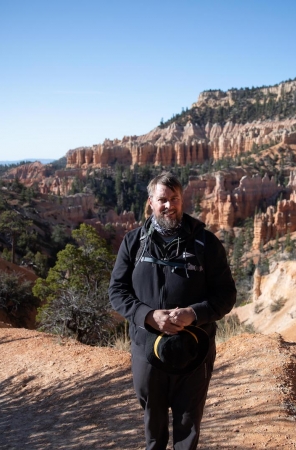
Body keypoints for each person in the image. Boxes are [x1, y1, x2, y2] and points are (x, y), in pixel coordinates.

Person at [108, 171, 236, 450]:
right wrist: (148, 315)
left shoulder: (206, 243)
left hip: (194, 350)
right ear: (150, 202)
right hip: (146, 349)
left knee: (187, 423)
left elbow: (226, 295)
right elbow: (117, 292)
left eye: (174, 199)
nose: (169, 205)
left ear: (182, 200)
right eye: (162, 200)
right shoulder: (134, 242)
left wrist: (195, 313)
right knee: (153, 420)